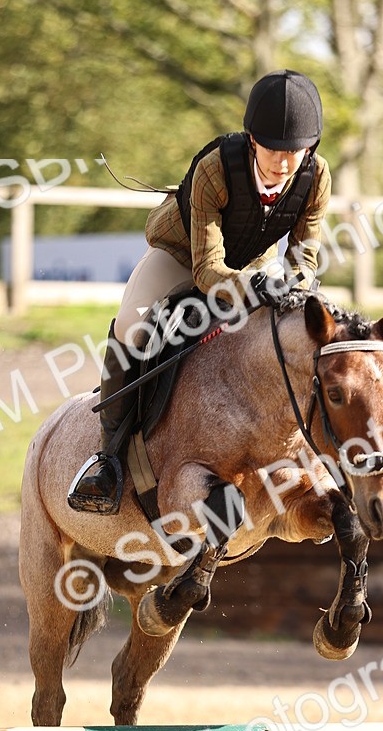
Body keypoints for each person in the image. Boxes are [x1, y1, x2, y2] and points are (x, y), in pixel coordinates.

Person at [68, 69, 331, 514]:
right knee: (133, 323)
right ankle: (108, 459)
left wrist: (293, 287)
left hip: (251, 262)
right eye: (273, 149)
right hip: (181, 254)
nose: (284, 163)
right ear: (252, 140)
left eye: (295, 151)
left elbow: (304, 258)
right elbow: (207, 269)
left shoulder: (317, 177)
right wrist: (256, 285)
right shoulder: (216, 168)